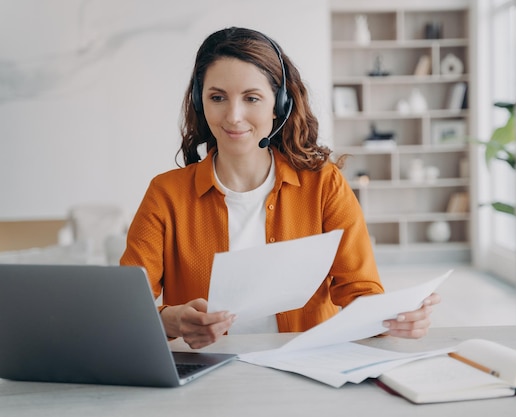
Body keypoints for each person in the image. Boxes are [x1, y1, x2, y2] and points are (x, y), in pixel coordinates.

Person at [120, 27, 440, 349]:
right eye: (217, 97)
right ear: (200, 102)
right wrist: (168, 320)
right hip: (207, 376)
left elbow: (361, 294)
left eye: (251, 98)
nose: (233, 116)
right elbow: (126, 310)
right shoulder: (165, 195)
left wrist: (394, 318)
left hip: (307, 371)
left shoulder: (323, 185)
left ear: (279, 105)